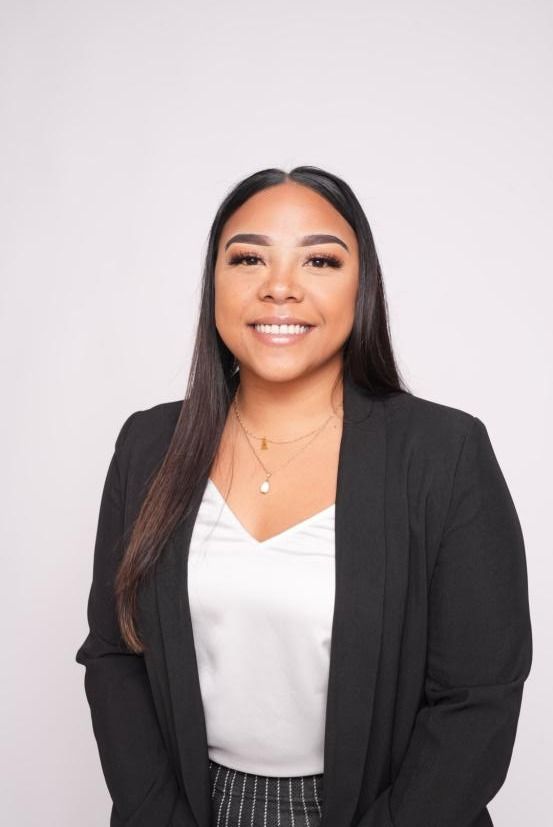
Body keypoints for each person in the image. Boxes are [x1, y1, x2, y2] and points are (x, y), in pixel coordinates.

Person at [75, 166, 532, 827]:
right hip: (191, 809)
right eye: (247, 257)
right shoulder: (150, 444)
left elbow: (477, 700)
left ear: (361, 285)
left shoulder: (443, 452)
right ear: (214, 284)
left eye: (319, 259)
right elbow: (116, 651)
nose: (279, 286)